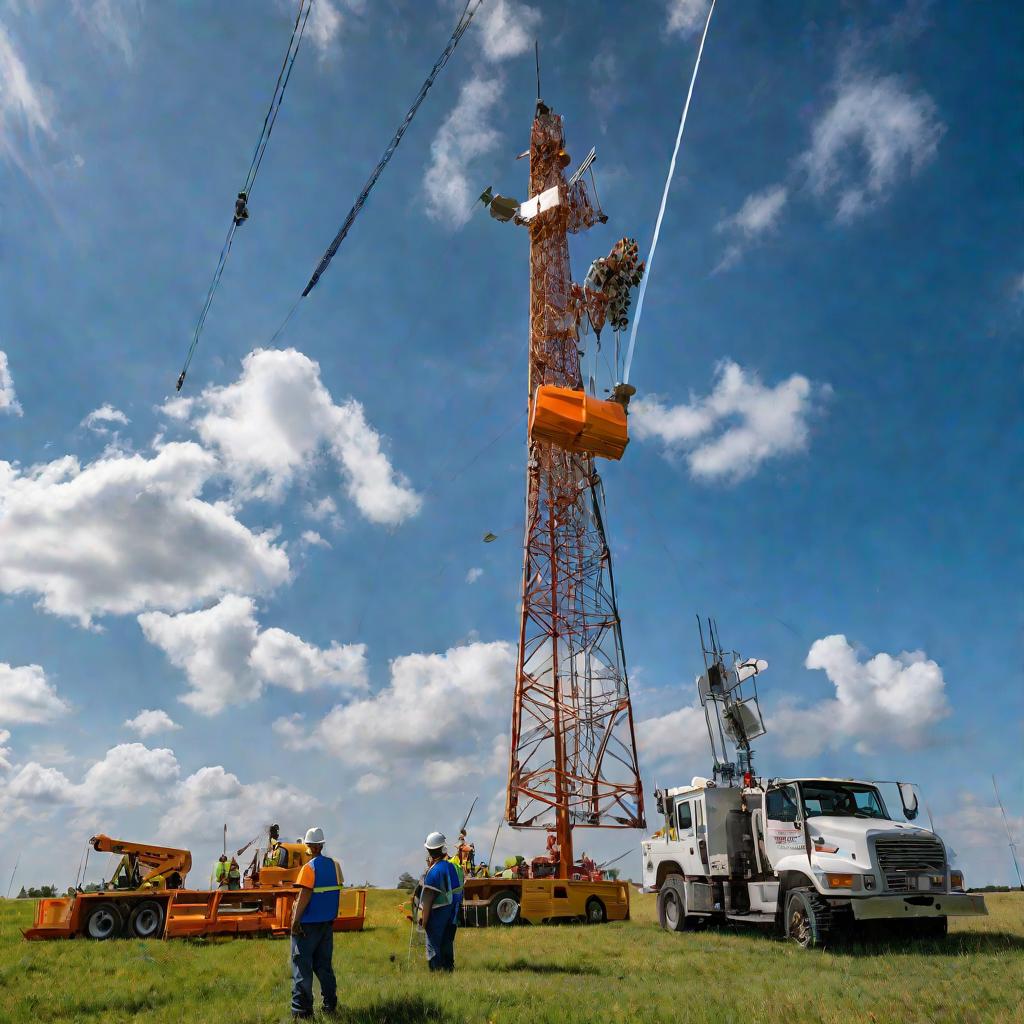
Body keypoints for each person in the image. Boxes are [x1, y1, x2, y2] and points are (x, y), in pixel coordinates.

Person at [289, 826, 343, 1020]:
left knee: (301, 967)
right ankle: (330, 1005)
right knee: (324, 966)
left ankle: (302, 1012)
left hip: (307, 926)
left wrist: (295, 921)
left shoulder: (309, 868)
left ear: (310, 846)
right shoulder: (334, 866)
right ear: (322, 844)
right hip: (327, 924)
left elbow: (304, 895)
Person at [418, 831, 462, 973]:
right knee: (447, 944)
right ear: (443, 848)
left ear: (429, 851)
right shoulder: (452, 867)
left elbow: (428, 900)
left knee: (433, 947)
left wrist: (423, 922)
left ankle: (436, 977)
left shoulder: (434, 872)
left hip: (438, 915)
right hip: (452, 914)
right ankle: (449, 973)